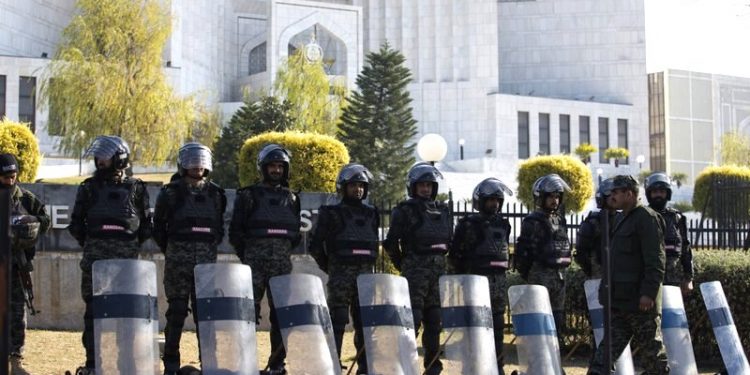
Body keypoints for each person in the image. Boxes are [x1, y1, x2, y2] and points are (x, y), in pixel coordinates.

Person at [68, 136, 151, 375]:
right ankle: (93, 364)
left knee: (125, 313)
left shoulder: (137, 188)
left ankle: (126, 363)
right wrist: (94, 244)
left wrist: (127, 246)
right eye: (98, 157)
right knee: (93, 313)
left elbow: (146, 226)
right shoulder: (87, 188)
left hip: (126, 264)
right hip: (95, 261)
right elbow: (76, 225)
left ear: (119, 158)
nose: (100, 161)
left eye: (104, 157)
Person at [153, 142, 226, 375]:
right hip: (178, 261)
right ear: (183, 165)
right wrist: (174, 249)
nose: (197, 167)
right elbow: (158, 228)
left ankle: (209, 365)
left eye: (201, 162)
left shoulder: (216, 194)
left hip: (206, 263)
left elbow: (219, 229)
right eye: (193, 162)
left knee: (206, 316)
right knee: (176, 313)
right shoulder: (170, 192)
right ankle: (171, 366)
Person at [229, 144, 301, 375]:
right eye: (272, 165)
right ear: (263, 168)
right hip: (254, 263)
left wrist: (281, 251)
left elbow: (295, 233)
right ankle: (245, 362)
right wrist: (249, 256)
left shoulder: (291, 198)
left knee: (281, 314)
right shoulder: (248, 196)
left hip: (281, 263)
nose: (276, 170)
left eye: (280, 166)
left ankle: (277, 364)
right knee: (247, 314)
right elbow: (235, 232)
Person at [587, 175, 669, 375]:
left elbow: (655, 260)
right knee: (602, 360)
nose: (611, 196)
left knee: (654, 361)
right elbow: (615, 261)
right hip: (620, 303)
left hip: (640, 305)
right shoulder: (622, 218)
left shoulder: (646, 218)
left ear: (629, 194)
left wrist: (648, 293)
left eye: (616, 192)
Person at [384, 162, 452, 375]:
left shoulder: (443, 211)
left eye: (429, 185)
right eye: (421, 185)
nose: (426, 189)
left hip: (437, 274)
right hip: (415, 272)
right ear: (413, 187)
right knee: (410, 321)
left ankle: (433, 367)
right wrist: (404, 264)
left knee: (434, 322)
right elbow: (391, 242)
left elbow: (451, 242)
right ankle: (403, 366)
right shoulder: (404, 211)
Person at [309, 163, 377, 374]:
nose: (357, 189)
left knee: (364, 322)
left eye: (361, 186)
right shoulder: (331, 213)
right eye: (353, 185)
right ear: (343, 187)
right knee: (337, 321)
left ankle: (364, 367)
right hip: (340, 274)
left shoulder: (371, 213)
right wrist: (331, 267)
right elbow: (315, 245)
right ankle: (333, 365)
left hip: (365, 276)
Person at [448, 177, 513, 374]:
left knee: (498, 327)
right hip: (476, 283)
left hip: (499, 282)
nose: (494, 204)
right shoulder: (468, 224)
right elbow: (455, 255)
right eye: (490, 200)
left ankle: (498, 367)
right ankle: (473, 367)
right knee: (475, 329)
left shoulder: (504, 224)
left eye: (497, 200)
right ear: (480, 201)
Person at [0, 154, 51, 359]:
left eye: (13, 176)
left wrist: (31, 224)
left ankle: (16, 347)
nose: (10, 181)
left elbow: (45, 220)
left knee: (17, 306)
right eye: (5, 177)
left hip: (17, 263)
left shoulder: (25, 198)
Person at [515, 173, 572, 343]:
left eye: (557, 196)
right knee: (540, 322)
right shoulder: (532, 221)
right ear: (541, 197)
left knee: (557, 321)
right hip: (540, 275)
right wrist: (531, 274)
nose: (554, 200)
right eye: (551, 197)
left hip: (559, 276)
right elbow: (523, 253)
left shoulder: (560, 220)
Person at [644, 172, 693, 296]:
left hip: (673, 284)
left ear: (667, 193)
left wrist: (688, 278)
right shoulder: (642, 216)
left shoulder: (677, 218)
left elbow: (685, 249)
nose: (658, 195)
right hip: (648, 283)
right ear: (649, 194)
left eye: (662, 191)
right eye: (655, 192)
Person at [575, 178, 616, 279]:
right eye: (611, 195)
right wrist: (592, 270)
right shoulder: (592, 222)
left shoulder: (623, 219)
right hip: (598, 274)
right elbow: (581, 253)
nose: (615, 197)